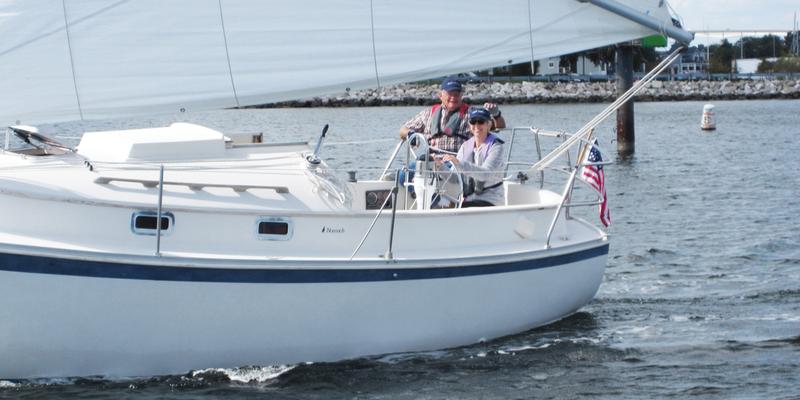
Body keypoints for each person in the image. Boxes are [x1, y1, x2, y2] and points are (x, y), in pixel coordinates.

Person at [399, 77, 505, 155]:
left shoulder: (472, 113)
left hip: (459, 162)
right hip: (431, 161)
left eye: (457, 94)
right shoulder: (428, 113)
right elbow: (403, 130)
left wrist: (496, 115)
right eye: (450, 94)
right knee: (402, 176)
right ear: (440, 95)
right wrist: (412, 135)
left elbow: (498, 126)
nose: (453, 97)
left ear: (461, 95)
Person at [441, 108, 505, 207]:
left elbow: (485, 174)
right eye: (473, 122)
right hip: (469, 198)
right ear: (470, 126)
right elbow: (454, 179)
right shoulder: (465, 146)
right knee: (441, 204)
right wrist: (439, 166)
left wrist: (459, 163)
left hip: (491, 199)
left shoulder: (496, 147)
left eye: (481, 122)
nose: (476, 126)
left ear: (489, 125)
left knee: (459, 209)